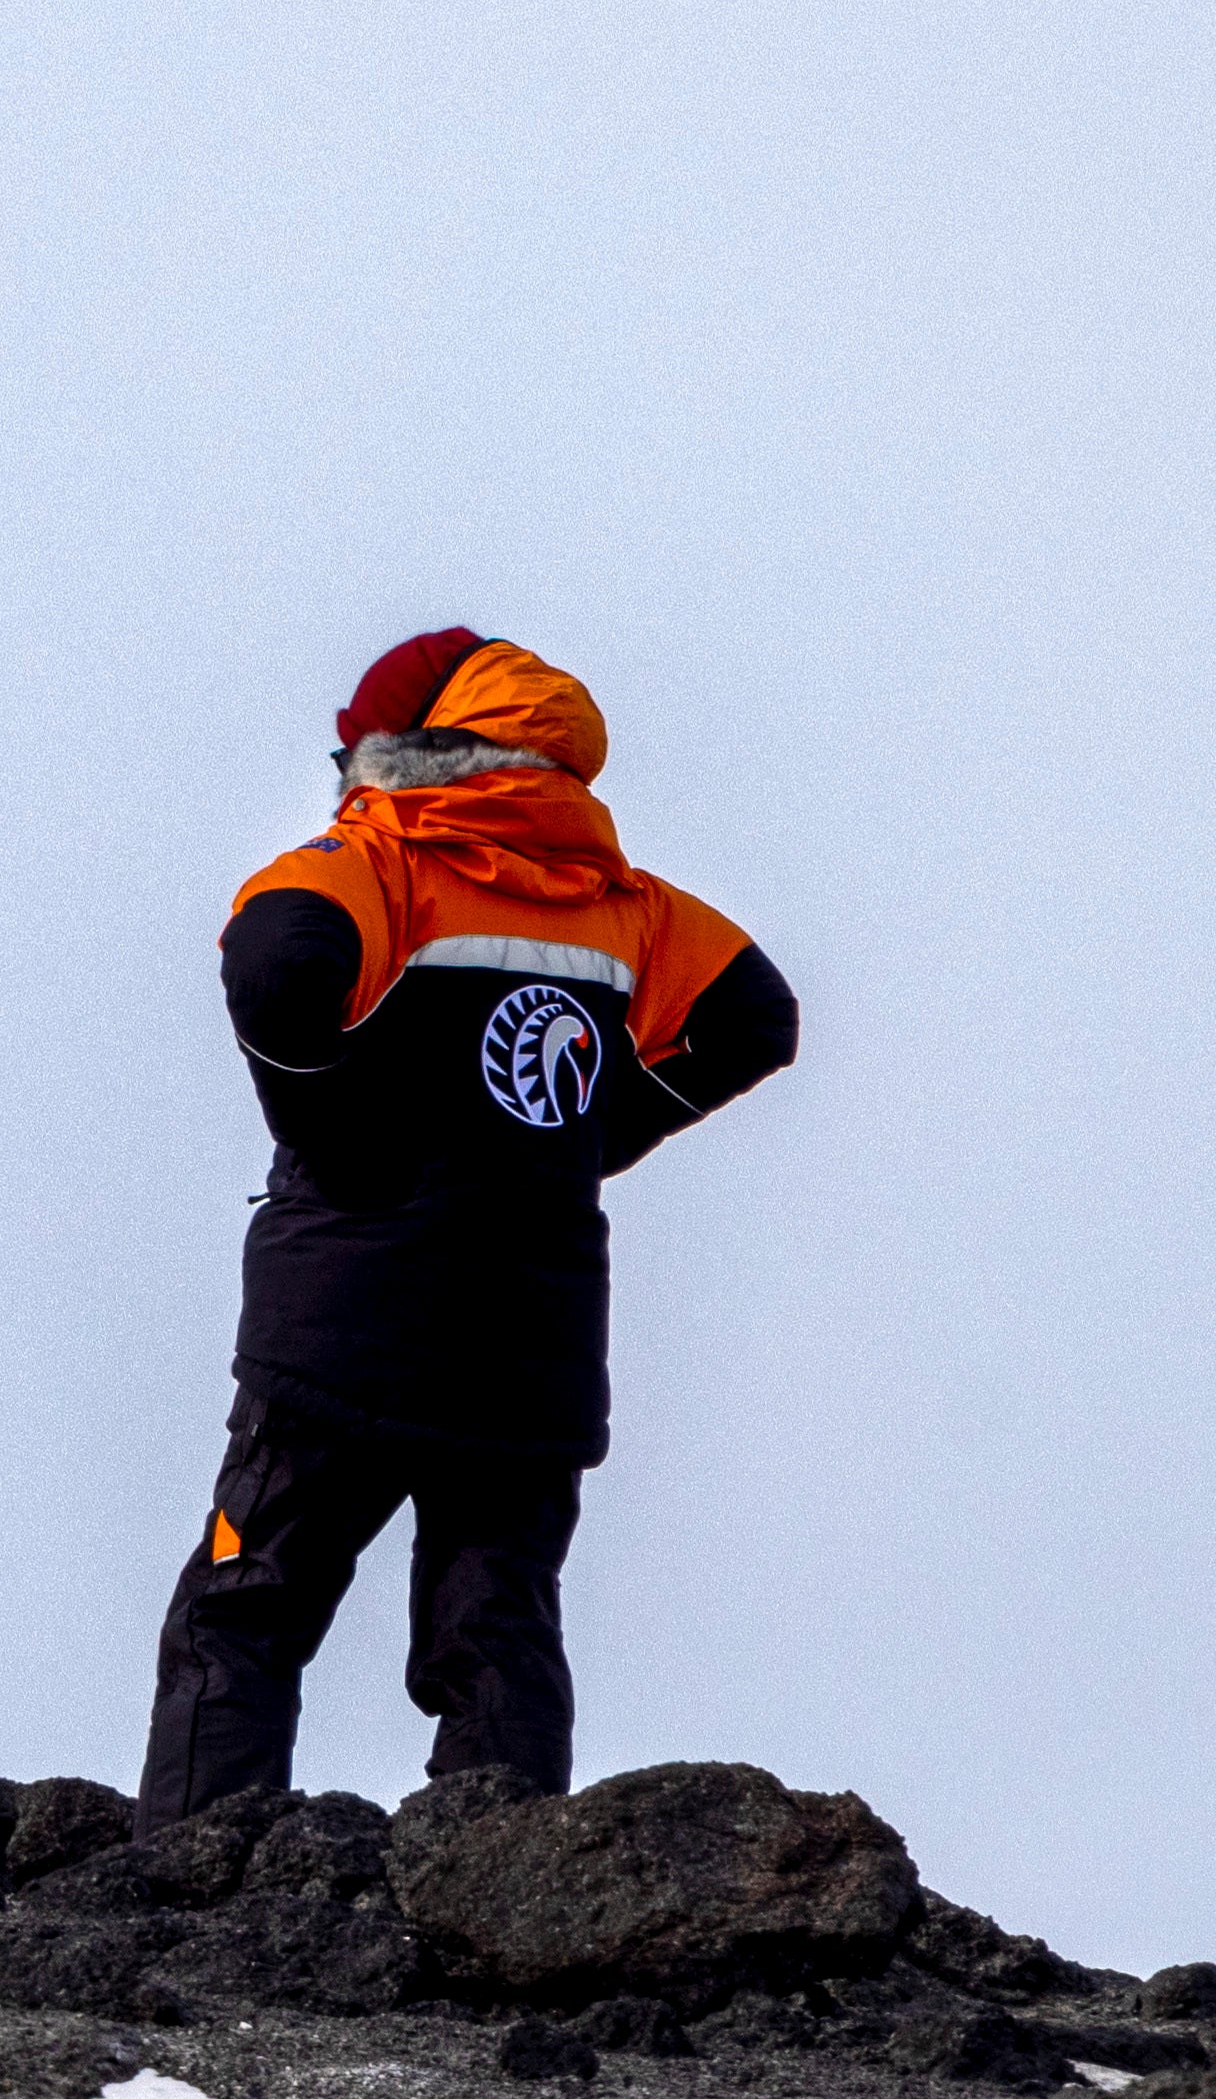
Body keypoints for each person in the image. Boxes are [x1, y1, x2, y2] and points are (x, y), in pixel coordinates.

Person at [134, 629, 799, 1824]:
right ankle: (504, 1886)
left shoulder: (378, 861)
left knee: (245, 1600)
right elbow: (752, 1014)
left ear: (394, 752)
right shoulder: (621, 902)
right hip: (529, 1333)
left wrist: (335, 1136)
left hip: (347, 1319)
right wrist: (584, 1141)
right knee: (495, 1621)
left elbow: (276, 965)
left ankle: (189, 1888)